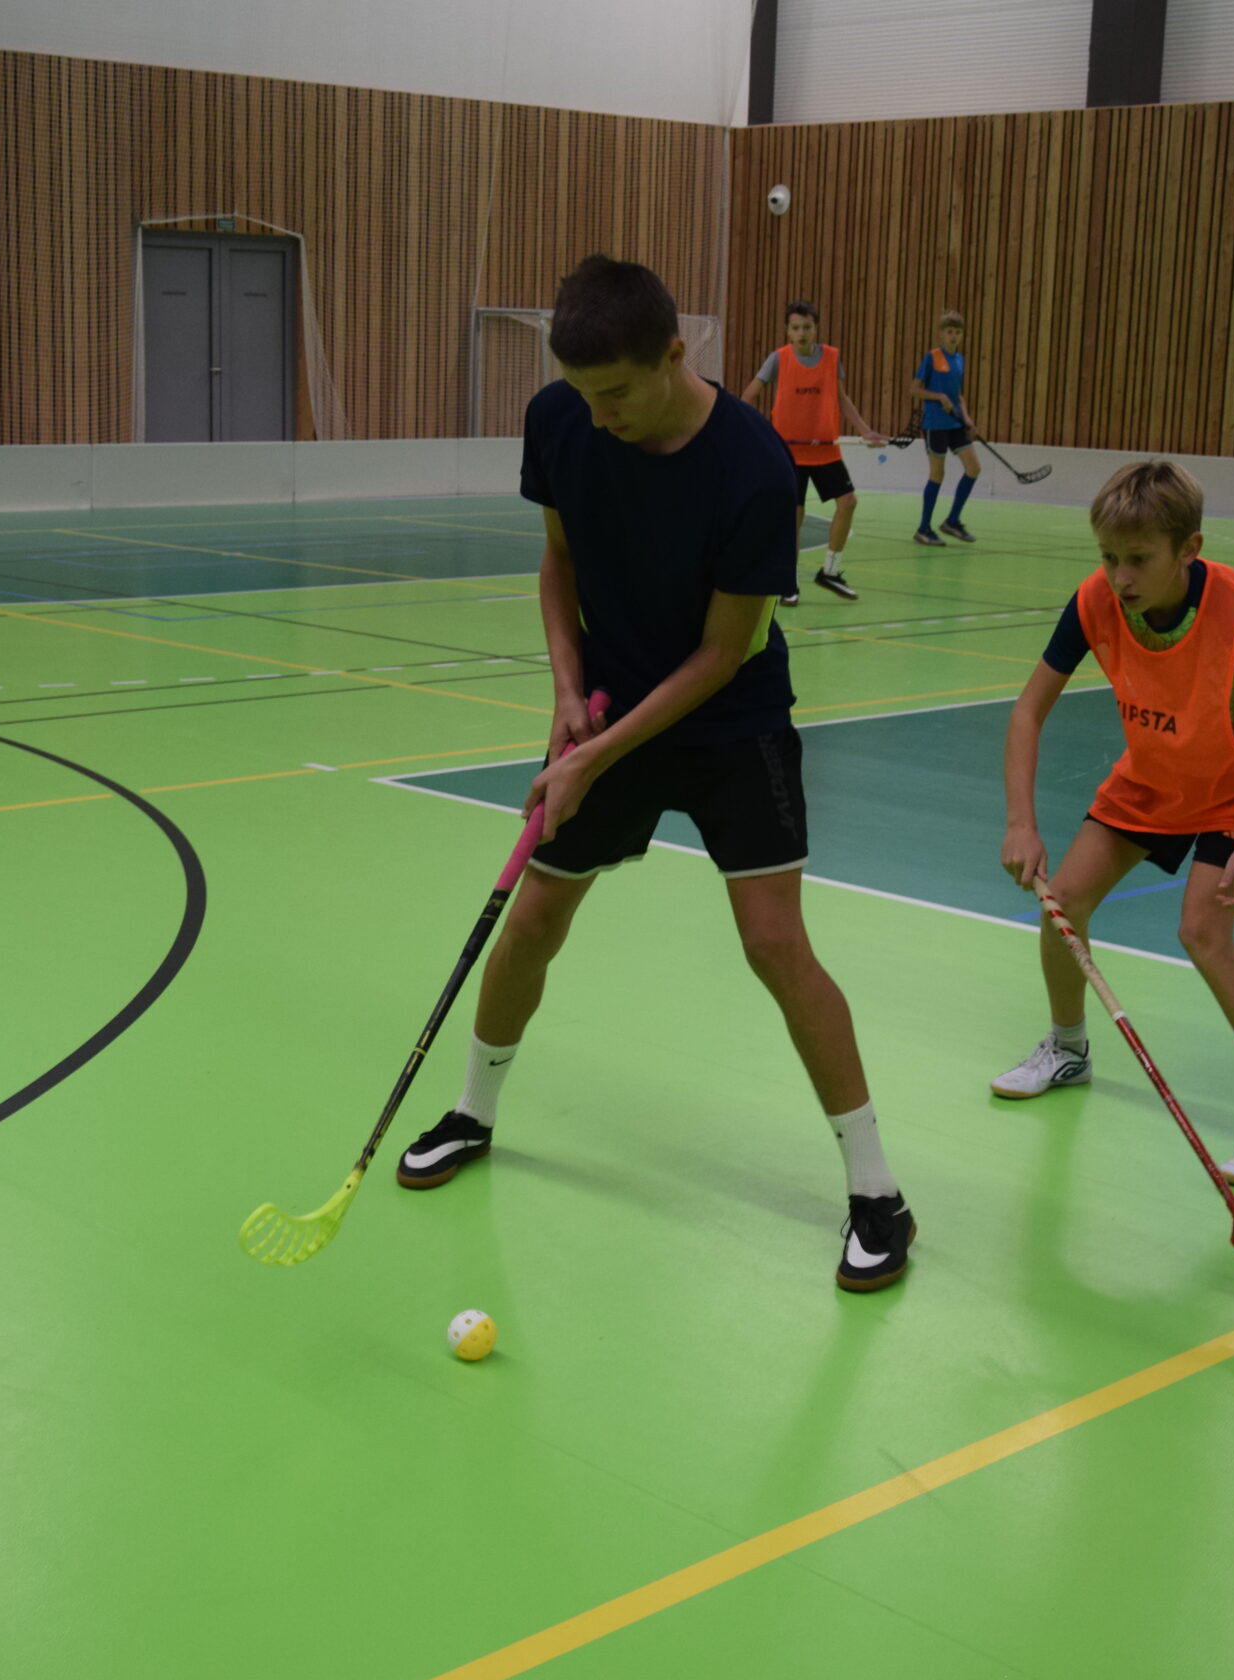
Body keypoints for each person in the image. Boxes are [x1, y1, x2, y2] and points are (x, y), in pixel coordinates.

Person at [395, 255, 915, 1292]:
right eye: (583, 394)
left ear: (676, 354)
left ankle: (877, 1193)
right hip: (603, 706)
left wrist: (594, 755)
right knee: (533, 922)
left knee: (774, 944)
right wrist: (564, 697)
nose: (600, 417)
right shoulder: (560, 419)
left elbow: (724, 652)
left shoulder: (755, 468)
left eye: (617, 394)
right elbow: (558, 562)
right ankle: (473, 1112)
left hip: (730, 723)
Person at [990, 460, 1234, 1188]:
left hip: (1232, 791)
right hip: (1151, 780)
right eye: (1108, 557)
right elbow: (1027, 711)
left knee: (1203, 933)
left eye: (1139, 559)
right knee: (1064, 903)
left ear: (1189, 549)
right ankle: (1069, 1050)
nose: (1120, 577)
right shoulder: (1095, 600)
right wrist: (1021, 822)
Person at [739, 299, 886, 607]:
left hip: (825, 451)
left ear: (816, 328)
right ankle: (788, 581)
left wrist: (865, 430)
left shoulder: (832, 358)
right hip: (789, 454)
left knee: (848, 503)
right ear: (787, 330)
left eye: (807, 327)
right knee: (794, 516)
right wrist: (759, 434)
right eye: (796, 328)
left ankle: (830, 571)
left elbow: (842, 398)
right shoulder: (778, 359)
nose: (801, 333)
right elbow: (748, 396)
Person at [909, 311, 983, 548]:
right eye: (949, 332)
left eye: (958, 332)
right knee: (937, 475)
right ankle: (923, 528)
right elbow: (914, 389)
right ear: (941, 334)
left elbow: (957, 395)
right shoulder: (932, 357)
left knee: (974, 468)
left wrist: (967, 418)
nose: (953, 336)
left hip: (955, 422)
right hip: (935, 424)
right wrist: (938, 396)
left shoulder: (959, 359)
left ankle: (952, 521)